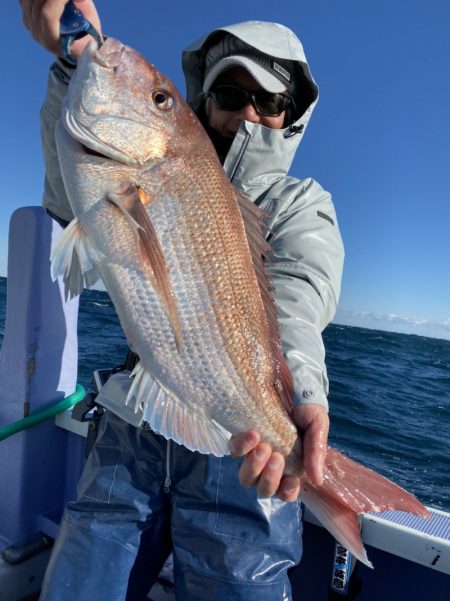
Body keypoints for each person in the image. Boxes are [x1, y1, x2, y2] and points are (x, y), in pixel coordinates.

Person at [20, 1, 344, 599]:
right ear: (204, 100)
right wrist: (72, 64)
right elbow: (69, 205)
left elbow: (298, 298)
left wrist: (298, 396)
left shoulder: (302, 204)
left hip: (239, 451)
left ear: (289, 117)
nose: (244, 114)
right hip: (132, 423)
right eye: (228, 94)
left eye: (266, 102)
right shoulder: (143, 163)